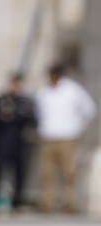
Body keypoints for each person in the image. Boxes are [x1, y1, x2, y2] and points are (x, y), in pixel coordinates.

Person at [34, 62, 96, 214]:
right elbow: (38, 113)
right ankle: (47, 203)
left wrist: (77, 127)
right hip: (48, 137)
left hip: (67, 137)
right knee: (47, 173)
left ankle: (69, 203)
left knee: (68, 172)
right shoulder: (43, 92)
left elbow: (90, 109)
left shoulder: (72, 90)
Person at [0, 72, 34, 211]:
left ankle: (17, 200)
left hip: (20, 141)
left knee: (19, 172)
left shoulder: (25, 101)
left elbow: (29, 119)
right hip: (3, 142)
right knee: (1, 170)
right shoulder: (2, 100)